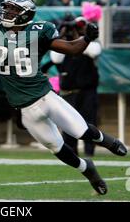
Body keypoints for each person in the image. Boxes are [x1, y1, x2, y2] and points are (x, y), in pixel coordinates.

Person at [0, 0, 127, 195]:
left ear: (25, 15)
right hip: (24, 108)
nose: (7, 11)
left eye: (14, 9)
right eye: (7, 6)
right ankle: (88, 170)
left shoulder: (39, 30)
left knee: (81, 131)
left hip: (45, 97)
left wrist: (87, 38)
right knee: (57, 148)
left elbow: (71, 48)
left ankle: (107, 141)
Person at [50, 17, 102, 157]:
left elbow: (94, 51)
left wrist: (82, 39)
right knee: (68, 123)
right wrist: (64, 38)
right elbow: (55, 58)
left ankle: (89, 152)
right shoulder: (65, 44)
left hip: (87, 91)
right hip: (69, 91)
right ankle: (72, 152)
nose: (78, 29)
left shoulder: (92, 43)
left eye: (81, 26)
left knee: (89, 121)